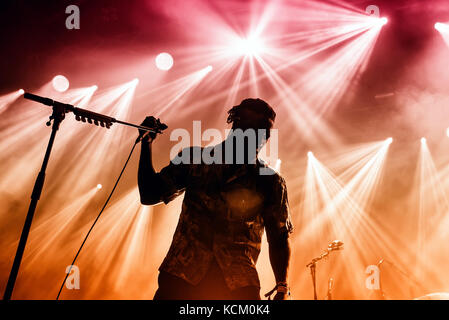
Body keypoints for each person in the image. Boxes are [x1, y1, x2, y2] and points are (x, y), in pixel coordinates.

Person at [138, 98, 293, 300]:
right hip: (181, 277)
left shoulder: (270, 180)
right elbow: (149, 195)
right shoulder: (194, 160)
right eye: (251, 129)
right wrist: (146, 144)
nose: (258, 138)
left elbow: (279, 237)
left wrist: (282, 286)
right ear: (235, 124)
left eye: (264, 133)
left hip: (238, 285)